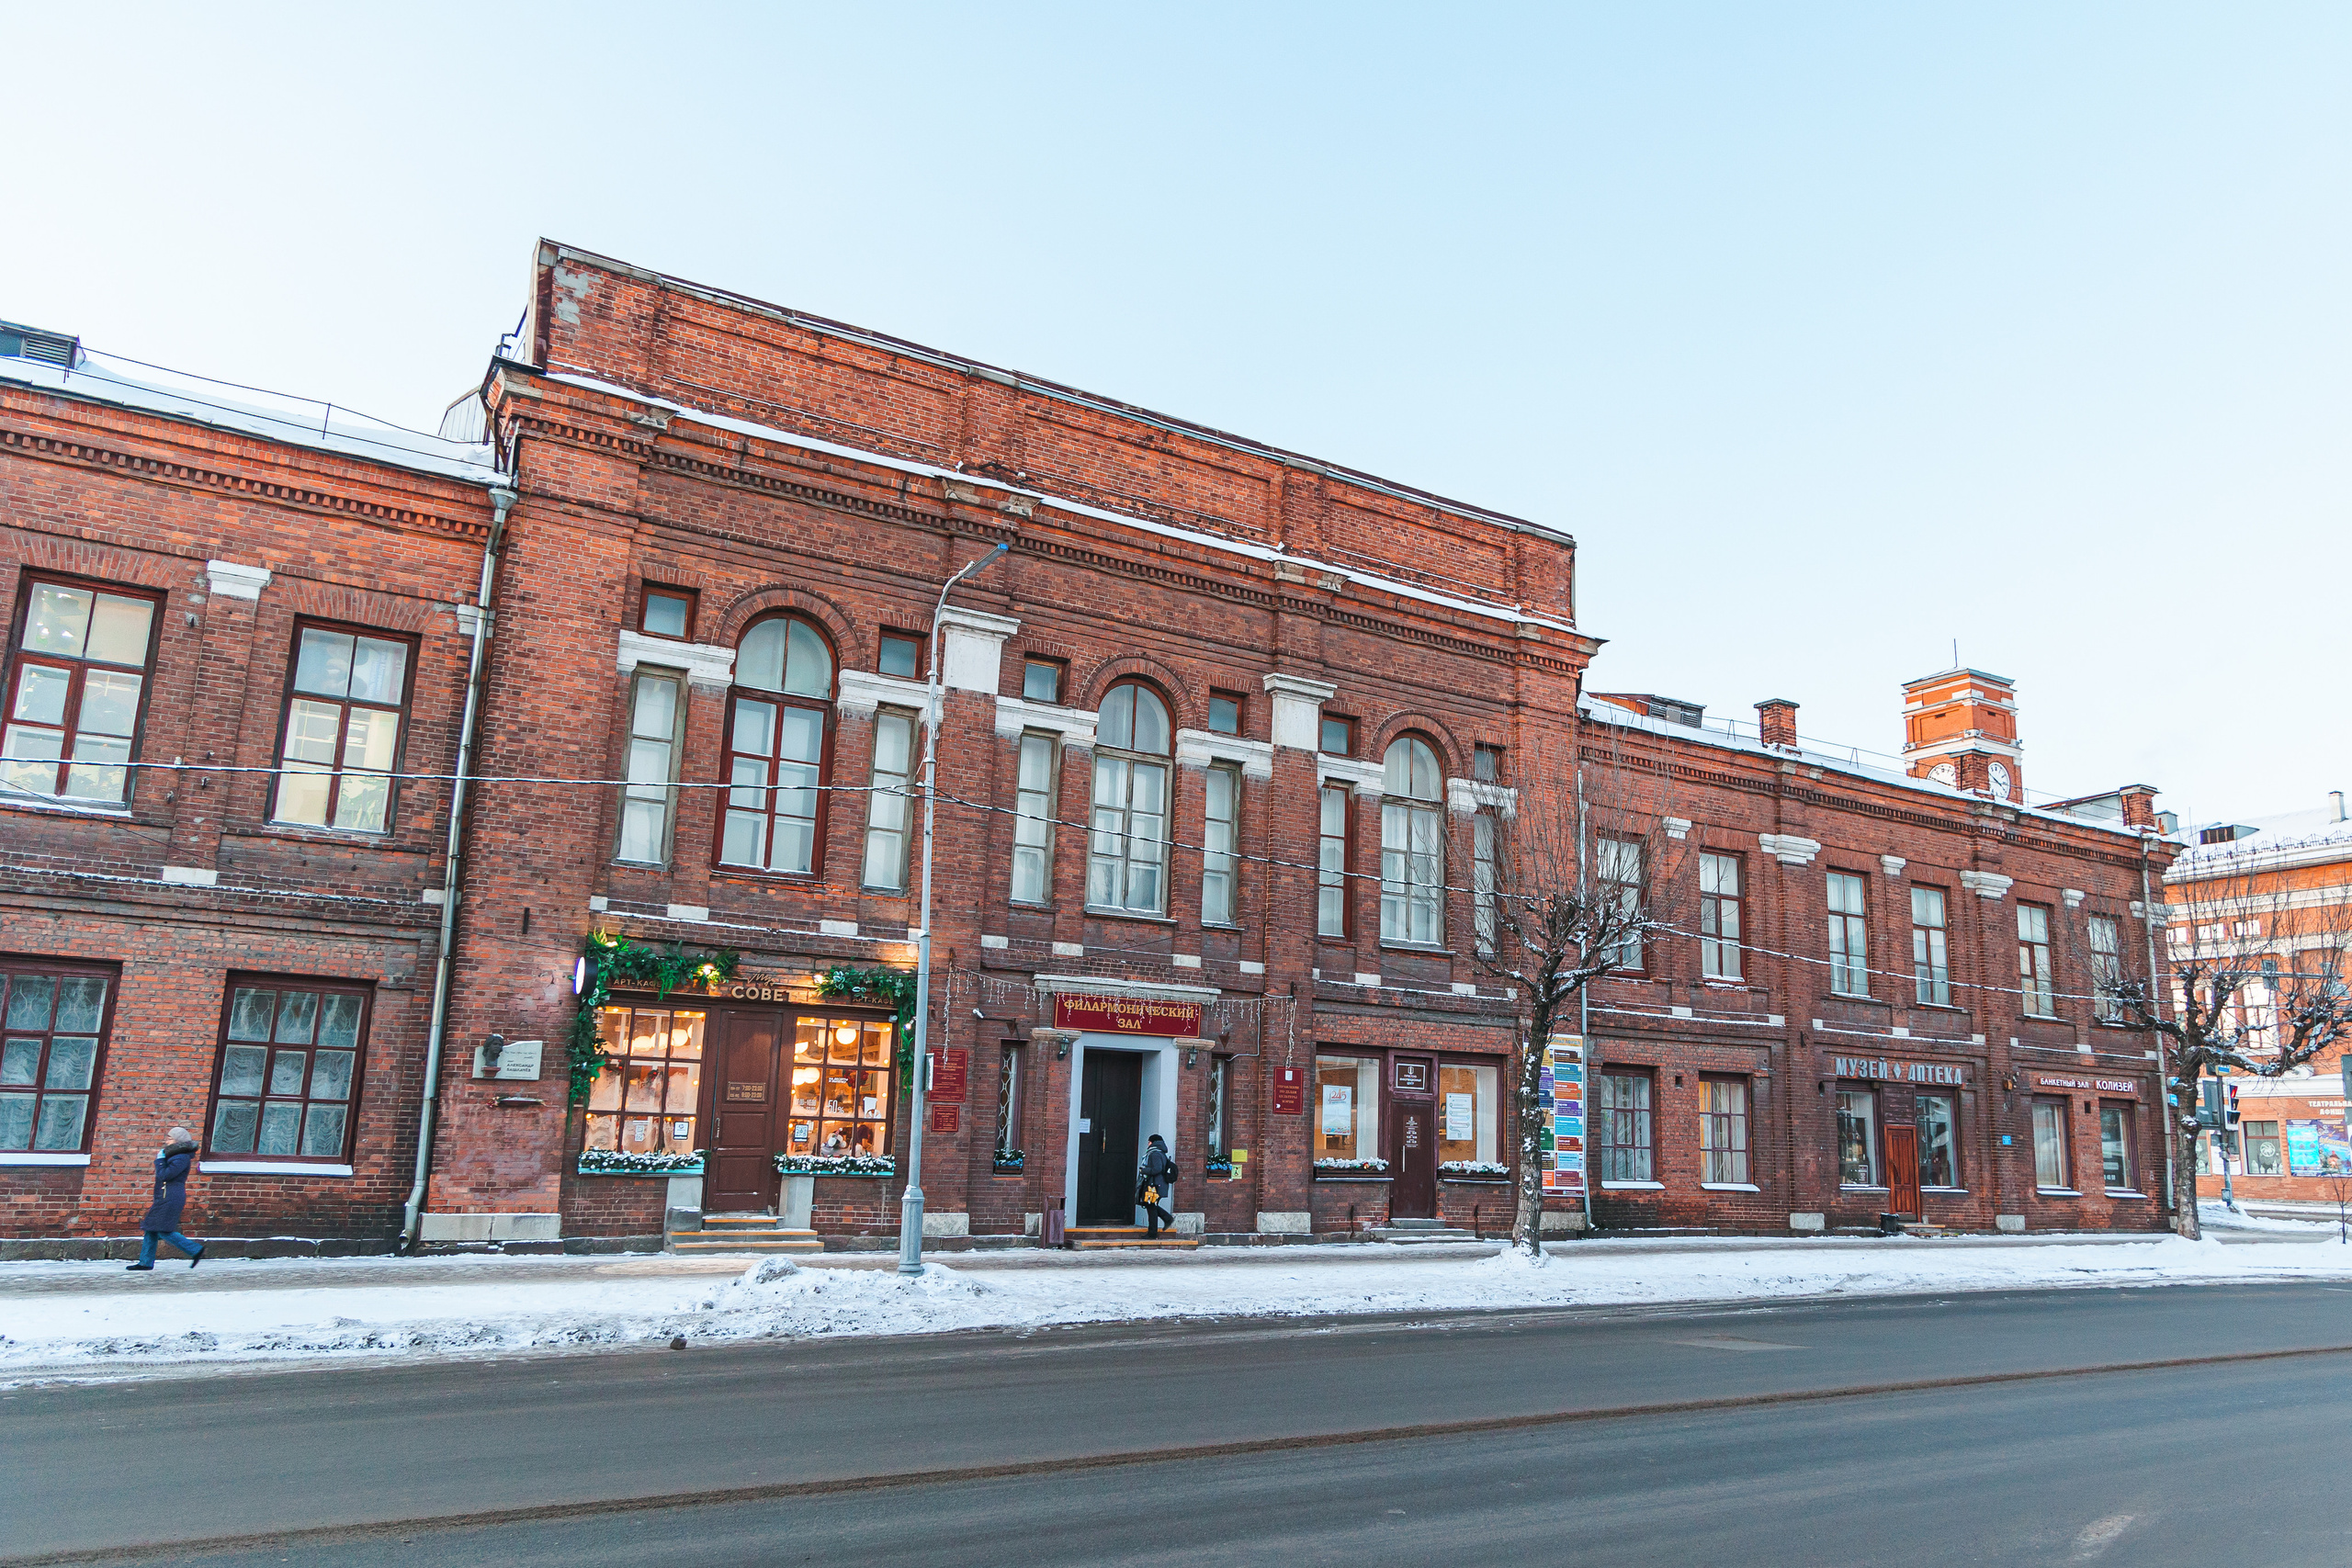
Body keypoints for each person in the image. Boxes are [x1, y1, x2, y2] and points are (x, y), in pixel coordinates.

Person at [129, 1127, 205, 1270]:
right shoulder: (175, 1155)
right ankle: (145, 1262)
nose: (166, 1140)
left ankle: (195, 1250)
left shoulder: (181, 1157)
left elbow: (165, 1175)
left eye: (169, 1138)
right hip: (164, 1197)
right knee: (150, 1228)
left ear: (178, 1141)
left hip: (170, 1198)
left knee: (163, 1230)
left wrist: (160, 1160)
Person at [1136, 1133, 1177, 1239]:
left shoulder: (1155, 1154)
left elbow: (1157, 1169)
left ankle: (1153, 1233)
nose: (1148, 1144)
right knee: (1151, 1206)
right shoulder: (1160, 1152)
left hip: (1155, 1185)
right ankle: (1166, 1219)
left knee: (1151, 1207)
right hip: (1157, 1184)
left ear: (1153, 1142)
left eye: (1149, 1141)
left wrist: (1144, 1170)